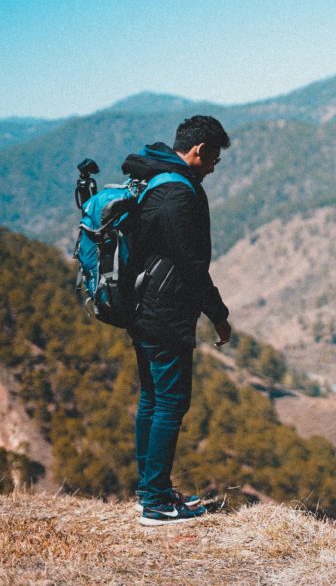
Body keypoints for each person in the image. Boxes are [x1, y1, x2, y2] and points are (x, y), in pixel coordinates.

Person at [120, 115, 232, 526]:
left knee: (152, 399)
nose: (216, 166)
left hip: (142, 307)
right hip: (165, 312)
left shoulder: (158, 180)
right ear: (199, 151)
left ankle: (152, 491)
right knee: (170, 401)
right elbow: (191, 266)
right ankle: (156, 503)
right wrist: (218, 315)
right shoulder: (178, 194)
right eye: (215, 157)